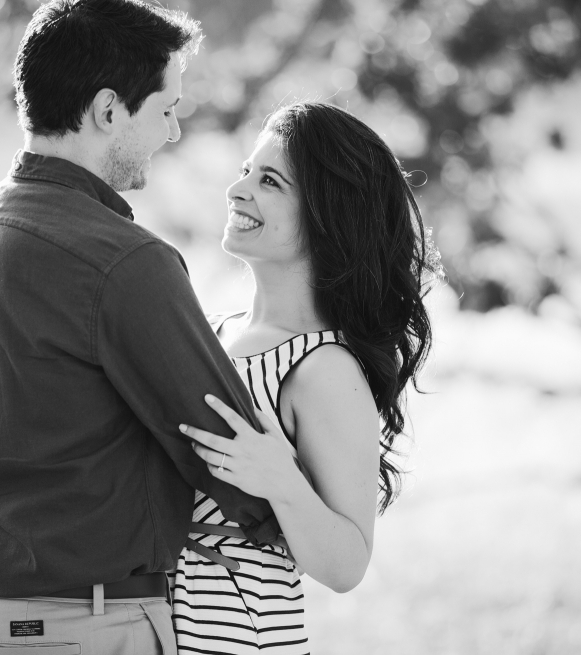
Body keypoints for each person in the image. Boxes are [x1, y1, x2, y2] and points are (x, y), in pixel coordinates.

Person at [0, 0, 279, 653]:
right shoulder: (123, 262)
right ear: (108, 109)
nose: (174, 132)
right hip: (79, 627)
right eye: (168, 109)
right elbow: (229, 451)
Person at [170, 102, 439, 654]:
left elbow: (347, 563)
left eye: (270, 181)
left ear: (325, 218)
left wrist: (281, 480)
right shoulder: (211, 334)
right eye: (246, 170)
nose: (238, 189)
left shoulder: (323, 368)